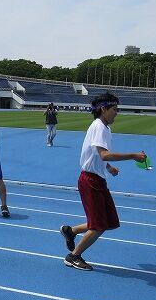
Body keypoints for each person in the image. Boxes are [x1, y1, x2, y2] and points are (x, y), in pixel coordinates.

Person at [60, 93, 147, 271]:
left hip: (97, 179)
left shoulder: (105, 128)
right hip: (90, 181)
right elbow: (104, 154)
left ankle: (72, 231)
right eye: (114, 109)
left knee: (107, 221)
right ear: (103, 109)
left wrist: (108, 168)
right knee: (99, 225)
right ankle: (73, 256)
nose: (117, 113)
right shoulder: (99, 126)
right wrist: (133, 156)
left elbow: (97, 156)